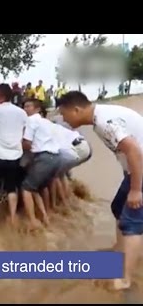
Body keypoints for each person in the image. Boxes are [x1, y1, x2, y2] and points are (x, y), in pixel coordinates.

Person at [58, 90, 143, 291]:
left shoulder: (105, 122)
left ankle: (124, 279)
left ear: (76, 110)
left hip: (140, 167)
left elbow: (133, 150)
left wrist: (136, 190)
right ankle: (121, 250)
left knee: (132, 220)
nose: (63, 118)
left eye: (64, 114)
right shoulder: (100, 117)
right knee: (118, 208)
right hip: (134, 169)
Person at [0, 83, 28, 226]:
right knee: (11, 187)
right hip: (14, 155)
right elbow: (23, 134)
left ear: (1, 96)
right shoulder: (22, 112)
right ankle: (12, 217)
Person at [21, 99, 61, 229]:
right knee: (36, 188)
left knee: (26, 188)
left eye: (28, 106)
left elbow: (27, 142)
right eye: (24, 106)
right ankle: (45, 217)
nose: (25, 109)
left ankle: (32, 221)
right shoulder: (46, 122)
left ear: (37, 109)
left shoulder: (31, 120)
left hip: (43, 157)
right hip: (55, 157)